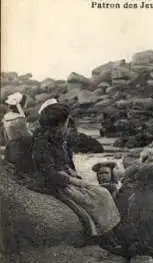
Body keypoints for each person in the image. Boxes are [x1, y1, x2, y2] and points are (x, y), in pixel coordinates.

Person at [31, 102, 121, 246]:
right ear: (59, 124)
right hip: (54, 183)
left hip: (65, 177)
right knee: (98, 197)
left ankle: (109, 234)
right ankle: (104, 237)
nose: (68, 126)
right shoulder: (41, 142)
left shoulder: (57, 139)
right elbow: (48, 172)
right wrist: (75, 181)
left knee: (101, 193)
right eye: (66, 123)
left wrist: (71, 172)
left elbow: (63, 162)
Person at [2, 92, 35, 179]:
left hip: (9, 150)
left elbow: (6, 136)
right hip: (19, 151)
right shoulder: (19, 119)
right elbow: (26, 137)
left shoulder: (6, 117)